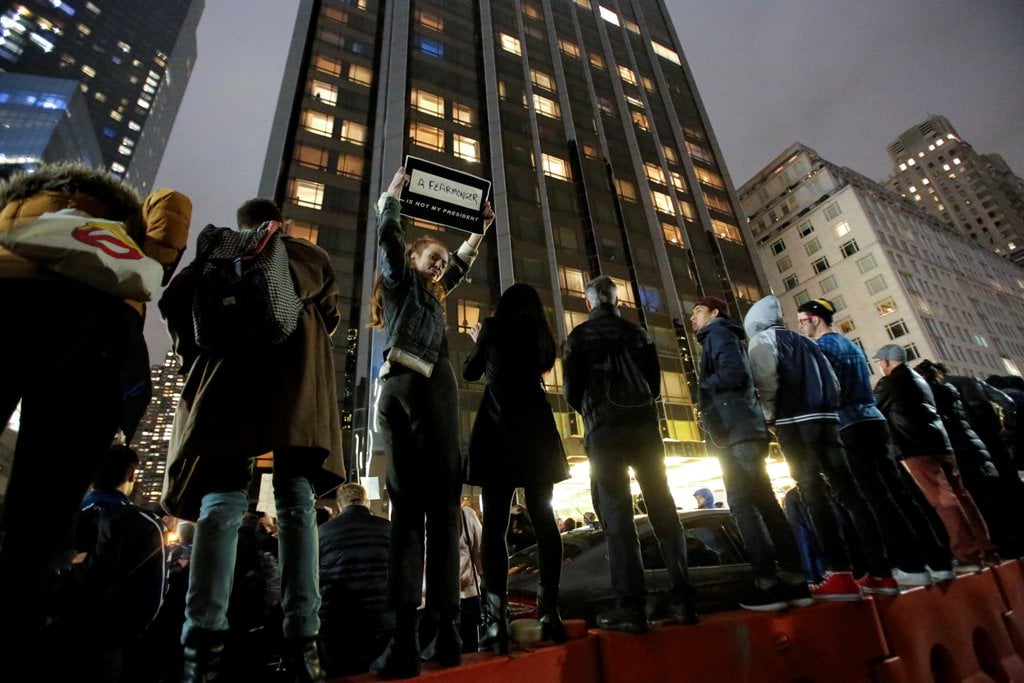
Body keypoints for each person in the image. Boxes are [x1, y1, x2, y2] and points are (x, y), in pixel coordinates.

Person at [0, 163, 190, 663]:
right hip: (96, 336)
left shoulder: (17, 212)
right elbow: (173, 209)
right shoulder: (122, 223)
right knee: (44, 510)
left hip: (7, 302)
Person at [159, 197, 345, 683]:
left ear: (240, 226)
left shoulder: (215, 257)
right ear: (280, 222)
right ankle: (304, 645)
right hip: (295, 390)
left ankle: (201, 648)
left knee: (219, 504)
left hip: (226, 388)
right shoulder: (307, 256)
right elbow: (330, 316)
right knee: (296, 503)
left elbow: (174, 304)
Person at [368, 167, 493, 678]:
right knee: (423, 515)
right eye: (433, 259)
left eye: (443, 263)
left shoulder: (430, 297)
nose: (440, 267)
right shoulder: (401, 283)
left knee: (429, 516)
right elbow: (390, 245)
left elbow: (459, 268)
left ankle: (435, 635)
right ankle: (421, 637)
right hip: (414, 390)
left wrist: (476, 234)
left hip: (410, 392)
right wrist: (390, 204)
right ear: (414, 259)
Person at [564, 275, 698, 633]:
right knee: (663, 507)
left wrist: (595, 411)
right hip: (644, 429)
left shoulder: (578, 337)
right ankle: (683, 597)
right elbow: (653, 385)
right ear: (616, 301)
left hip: (604, 432)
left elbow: (571, 393)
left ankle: (632, 605)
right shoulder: (638, 333)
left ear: (588, 302)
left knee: (617, 516)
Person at [744, 295, 896, 598]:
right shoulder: (808, 343)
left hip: (795, 423)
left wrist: (769, 416)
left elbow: (766, 383)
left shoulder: (762, 341)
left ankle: (839, 572)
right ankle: (881, 572)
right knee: (850, 492)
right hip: (829, 421)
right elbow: (833, 383)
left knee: (812, 492)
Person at [797, 298, 954, 585]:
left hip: (848, 423)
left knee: (873, 497)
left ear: (815, 319)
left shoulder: (821, 349)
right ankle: (938, 560)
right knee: (899, 493)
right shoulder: (851, 346)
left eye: (802, 320)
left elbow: (824, 390)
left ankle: (908, 564)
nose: (800, 326)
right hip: (874, 422)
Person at [462, 282, 570, 652]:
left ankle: (496, 620)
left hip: (499, 430)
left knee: (494, 525)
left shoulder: (493, 328)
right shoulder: (542, 336)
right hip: (536, 430)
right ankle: (549, 612)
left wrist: (480, 337)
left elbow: (471, 372)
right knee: (544, 519)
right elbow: (541, 367)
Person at [690, 296, 810, 612]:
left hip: (736, 432)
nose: (693, 318)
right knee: (764, 502)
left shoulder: (718, 334)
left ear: (714, 313)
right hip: (743, 430)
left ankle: (766, 581)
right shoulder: (722, 336)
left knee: (744, 504)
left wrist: (702, 390)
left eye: (698, 311)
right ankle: (795, 578)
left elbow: (733, 374)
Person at [872, 344, 998, 573]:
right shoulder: (921, 381)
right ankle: (986, 549)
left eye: (880, 362)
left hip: (915, 447)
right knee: (962, 495)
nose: (880, 366)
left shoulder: (889, 383)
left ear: (887, 362)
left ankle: (966, 553)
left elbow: (874, 408)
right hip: (941, 443)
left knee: (942, 499)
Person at [48, 444, 167, 682]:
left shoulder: (62, 515)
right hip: (109, 641)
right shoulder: (146, 524)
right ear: (132, 475)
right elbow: (154, 596)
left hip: (55, 632)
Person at [917, 361, 1024, 558]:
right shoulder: (968, 381)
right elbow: (1007, 402)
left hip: (964, 448)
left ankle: (1002, 544)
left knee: (981, 498)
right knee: (1009, 487)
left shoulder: (933, 393)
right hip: (990, 441)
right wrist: (1007, 428)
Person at [318, 483, 393, 677]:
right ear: (366, 502)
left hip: (338, 620)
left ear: (339, 506)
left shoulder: (322, 532)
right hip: (381, 617)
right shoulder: (387, 528)